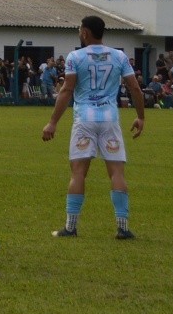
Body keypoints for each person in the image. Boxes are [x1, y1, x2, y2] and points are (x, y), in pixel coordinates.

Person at [42, 15, 146, 240]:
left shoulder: (75, 57)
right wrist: (140, 117)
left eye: (80, 29)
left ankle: (70, 227)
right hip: (110, 118)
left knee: (78, 172)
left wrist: (52, 122)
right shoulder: (119, 56)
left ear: (85, 32)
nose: (80, 33)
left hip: (85, 119)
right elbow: (135, 88)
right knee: (117, 172)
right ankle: (123, 227)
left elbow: (67, 90)